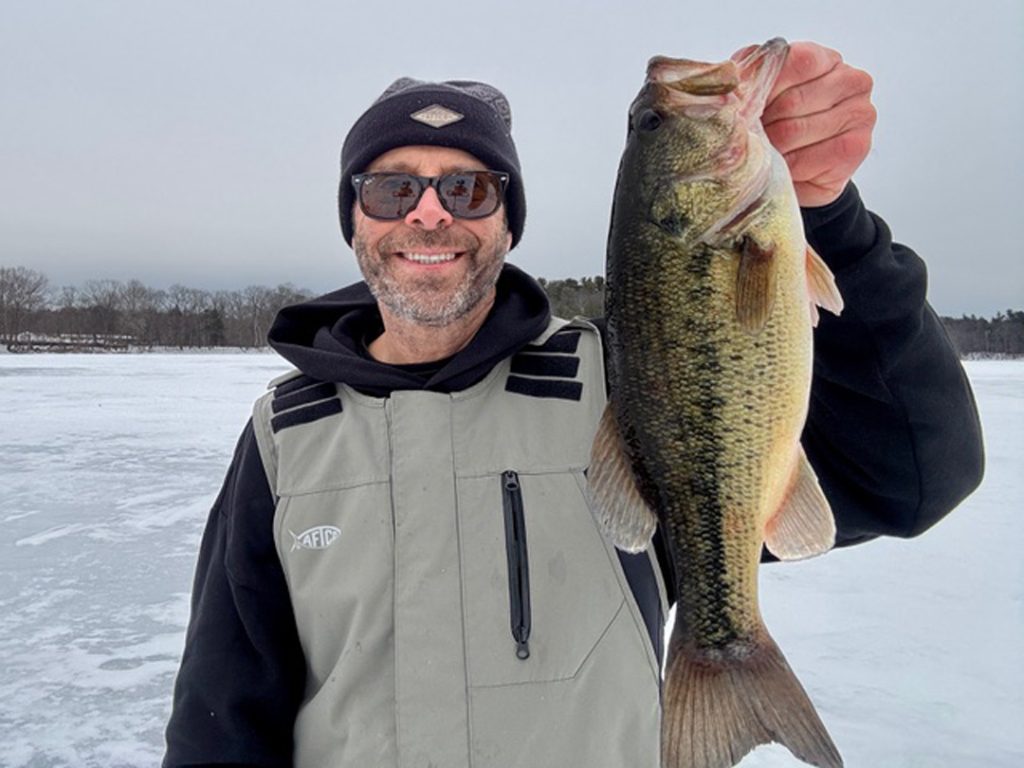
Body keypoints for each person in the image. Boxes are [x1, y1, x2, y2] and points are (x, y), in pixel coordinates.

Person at [163, 42, 984, 768]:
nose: (429, 212)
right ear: (354, 220)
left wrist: (827, 216)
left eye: (468, 187)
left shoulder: (615, 382)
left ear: (507, 222)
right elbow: (223, 710)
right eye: (390, 189)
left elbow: (912, 478)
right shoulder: (286, 434)